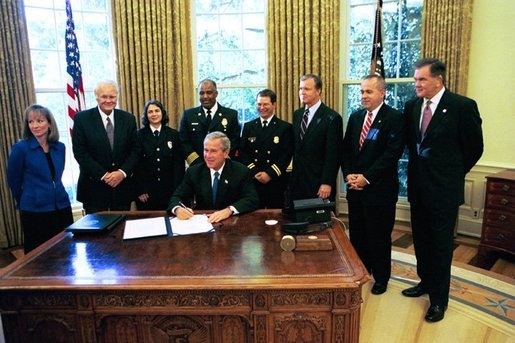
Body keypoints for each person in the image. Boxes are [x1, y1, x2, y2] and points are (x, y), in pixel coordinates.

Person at [402, 58, 483, 322]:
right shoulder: (412, 107)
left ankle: (439, 300)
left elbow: (474, 148)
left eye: (421, 79)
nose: (417, 84)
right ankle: (425, 282)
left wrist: (452, 174)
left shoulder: (461, 107)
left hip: (444, 192)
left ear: (438, 79)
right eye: (415, 80)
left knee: (440, 247)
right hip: (418, 189)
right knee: (422, 243)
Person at [341, 75, 406, 295]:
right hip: (355, 191)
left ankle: (381, 278)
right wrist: (349, 175)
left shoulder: (395, 118)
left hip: (379, 191)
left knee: (378, 237)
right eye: (361, 92)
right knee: (357, 236)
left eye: (368, 92)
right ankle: (361, 271)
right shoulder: (356, 116)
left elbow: (391, 155)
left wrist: (366, 178)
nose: (363, 96)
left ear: (382, 93)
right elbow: (347, 150)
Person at [7, 105, 74, 254]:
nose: (35, 125)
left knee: (65, 251)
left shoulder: (60, 147)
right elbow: (13, 180)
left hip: (61, 206)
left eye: (39, 121)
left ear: (50, 123)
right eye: (31, 122)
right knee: (38, 254)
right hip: (35, 209)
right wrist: (26, 198)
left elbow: (57, 175)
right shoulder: (20, 148)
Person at [72, 80, 140, 213]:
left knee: (122, 229)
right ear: (96, 97)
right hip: (93, 188)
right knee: (96, 232)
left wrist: (122, 173)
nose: (108, 100)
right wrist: (104, 175)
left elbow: (136, 150)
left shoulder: (128, 119)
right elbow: (80, 152)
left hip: (122, 188)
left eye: (112, 96)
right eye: (104, 96)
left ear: (117, 97)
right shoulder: (81, 119)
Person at [168, 132, 259, 223]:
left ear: (226, 153)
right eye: (206, 150)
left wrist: (229, 210)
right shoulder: (194, 172)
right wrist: (177, 209)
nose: (208, 156)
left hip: (231, 224)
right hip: (203, 223)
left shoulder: (240, 171)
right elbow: (177, 197)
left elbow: (251, 199)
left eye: (213, 151)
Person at [290, 73, 343, 201]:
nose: (302, 92)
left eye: (307, 89)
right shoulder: (297, 114)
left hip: (319, 183)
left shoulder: (332, 118)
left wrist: (327, 182)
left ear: (318, 91)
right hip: (298, 182)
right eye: (300, 89)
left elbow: (333, 155)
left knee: (319, 220)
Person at [238, 89, 293, 208]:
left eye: (265, 104)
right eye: (259, 104)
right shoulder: (249, 126)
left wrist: (269, 174)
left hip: (275, 180)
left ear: (274, 105)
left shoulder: (285, 127)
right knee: (254, 216)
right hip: (254, 179)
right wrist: (255, 172)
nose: (261, 107)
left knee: (276, 216)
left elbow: (286, 155)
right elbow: (243, 152)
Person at [135, 100, 185, 210]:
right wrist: (140, 190)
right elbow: (137, 165)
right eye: (150, 112)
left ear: (162, 113)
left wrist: (177, 191)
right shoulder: (139, 135)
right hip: (147, 193)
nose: (154, 114)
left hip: (170, 191)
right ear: (146, 115)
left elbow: (178, 165)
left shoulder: (173, 134)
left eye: (157, 111)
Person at [179, 79, 240, 166]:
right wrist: (197, 162)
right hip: (197, 166)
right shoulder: (189, 115)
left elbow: (234, 141)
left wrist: (222, 160)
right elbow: (184, 141)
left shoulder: (231, 115)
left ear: (216, 94)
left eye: (209, 92)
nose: (205, 96)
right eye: (201, 93)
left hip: (222, 165)